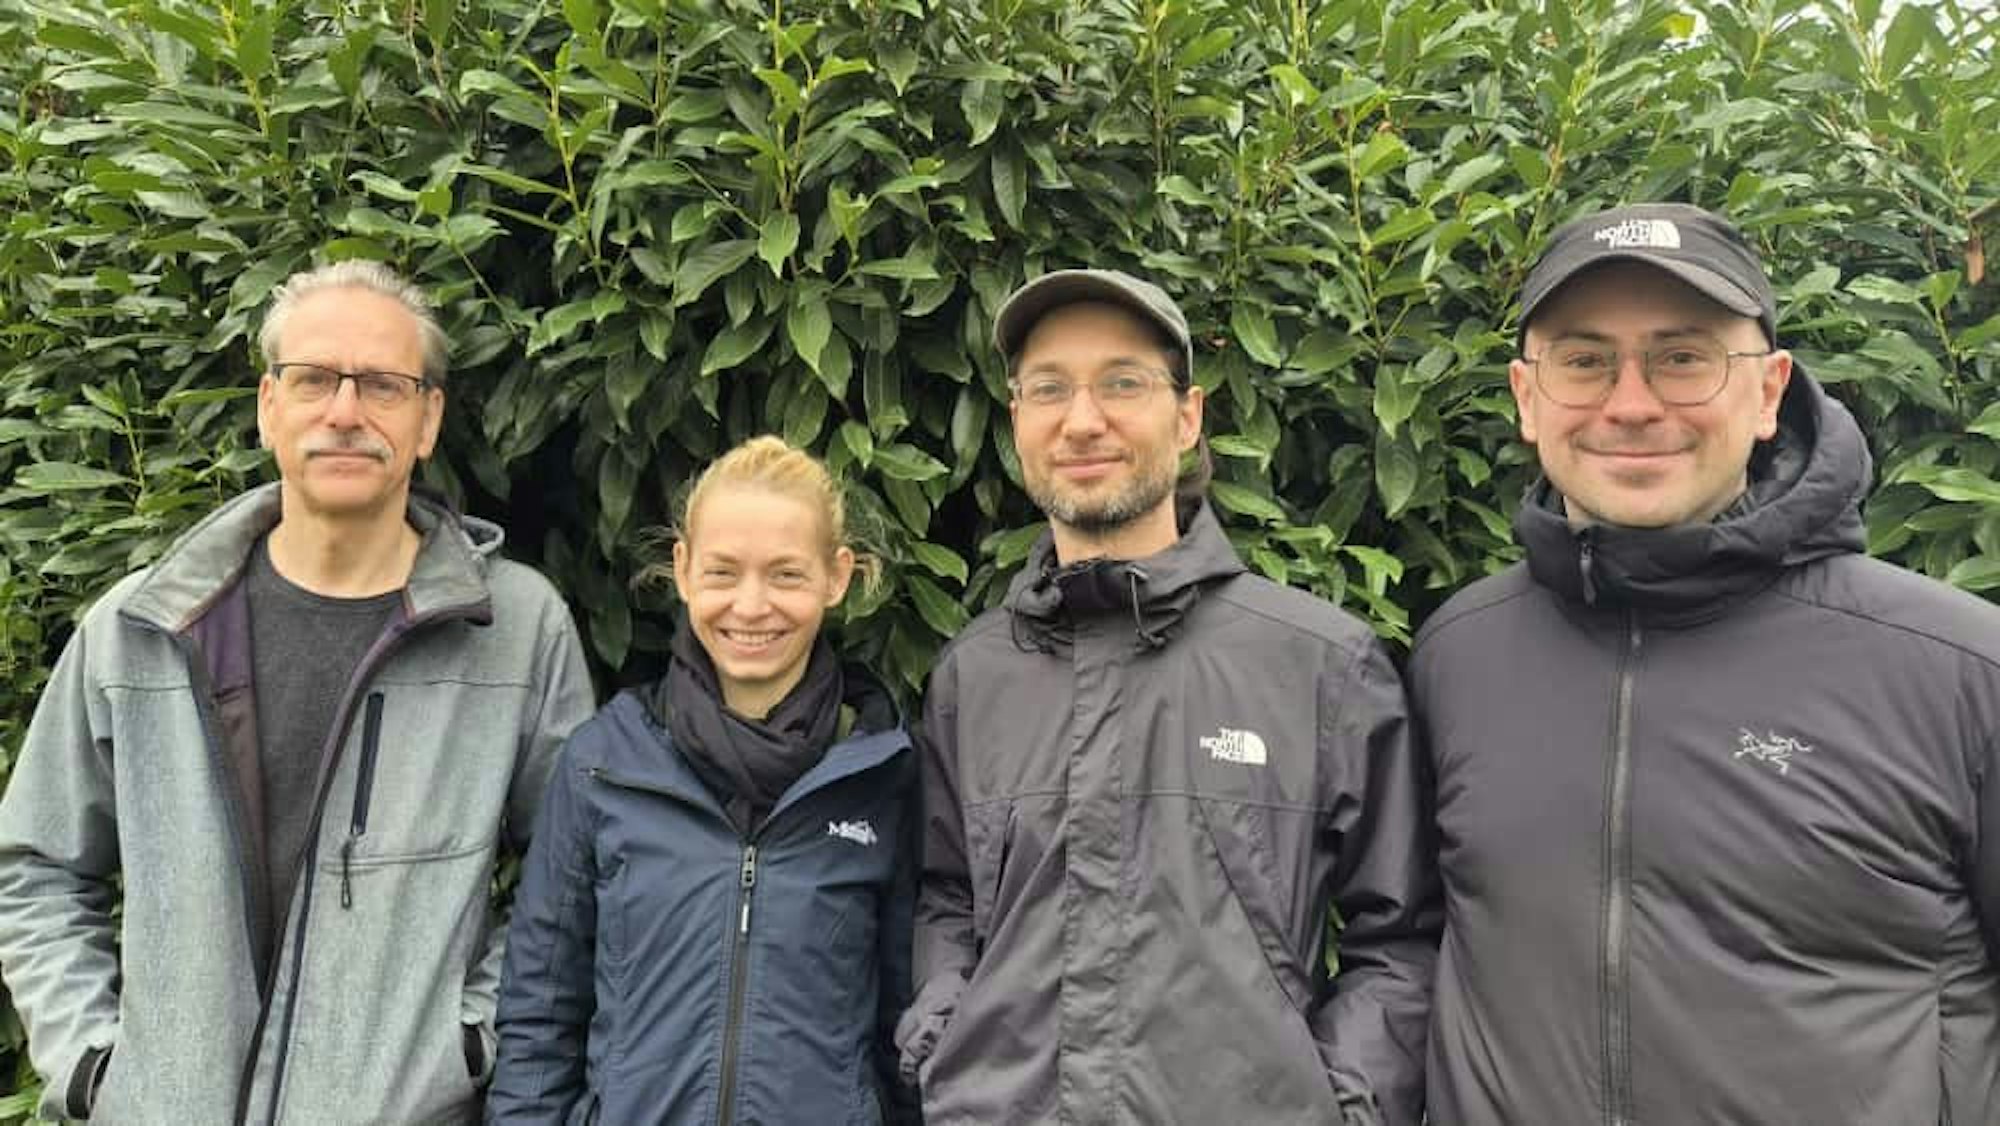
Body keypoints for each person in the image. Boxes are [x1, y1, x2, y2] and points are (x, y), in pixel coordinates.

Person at [1412, 202, 2000, 1124]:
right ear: (1527, 397)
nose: (1631, 404)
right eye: (1584, 361)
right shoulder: (1459, 655)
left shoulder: (1959, 669)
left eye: (1683, 358)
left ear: (1768, 391)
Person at [0, 260, 595, 1124]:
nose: (345, 412)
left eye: (383, 385)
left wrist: (467, 1046)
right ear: (268, 405)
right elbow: (35, 866)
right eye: (314, 378)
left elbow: (573, 879)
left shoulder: (516, 629)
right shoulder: (142, 629)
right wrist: (93, 1064)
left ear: (428, 419)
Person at [896, 270, 1439, 1125]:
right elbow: (947, 901)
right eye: (1050, 388)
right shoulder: (975, 675)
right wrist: (943, 1048)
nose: (1083, 420)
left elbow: (1400, 938)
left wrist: (1343, 1109)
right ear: (1016, 419)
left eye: (1122, 383)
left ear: (1187, 418)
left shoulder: (1319, 665)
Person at [487, 435, 921, 1125]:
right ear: (684, 569)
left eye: (786, 574)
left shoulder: (880, 775)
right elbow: (540, 1016)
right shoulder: (604, 766)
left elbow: (905, 1029)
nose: (750, 606)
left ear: (836, 577)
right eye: (723, 572)